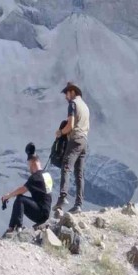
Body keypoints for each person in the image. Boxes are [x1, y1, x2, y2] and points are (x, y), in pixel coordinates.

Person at [0, 148, 54, 236]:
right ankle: (11, 227)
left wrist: (8, 196)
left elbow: (23, 189)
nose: (29, 168)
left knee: (20, 199)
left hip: (40, 213)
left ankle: (18, 228)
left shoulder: (35, 177)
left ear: (33, 163)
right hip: (45, 211)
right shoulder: (47, 175)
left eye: (29, 165)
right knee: (20, 199)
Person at [55, 82, 90, 214]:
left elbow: (70, 125)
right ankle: (79, 204)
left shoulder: (73, 104)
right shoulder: (86, 107)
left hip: (74, 139)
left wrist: (60, 132)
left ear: (72, 92)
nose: (65, 97)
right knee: (79, 173)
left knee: (66, 166)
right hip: (84, 141)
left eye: (66, 93)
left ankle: (63, 197)